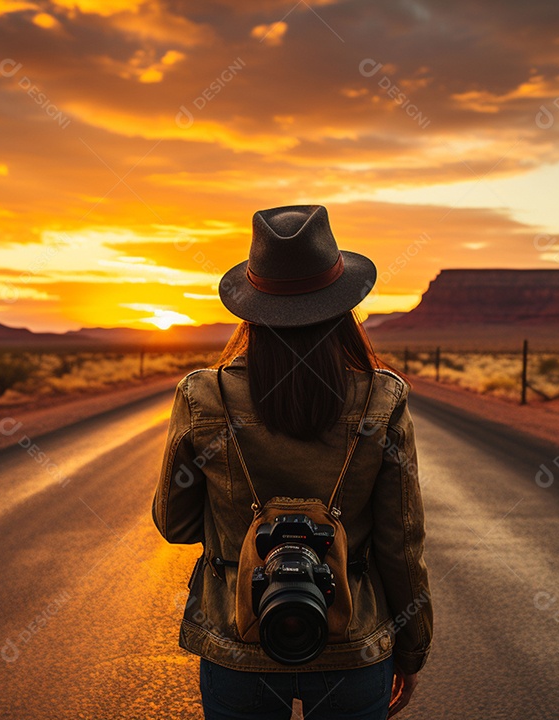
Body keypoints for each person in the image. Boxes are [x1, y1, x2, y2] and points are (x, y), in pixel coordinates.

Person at [153, 205, 432, 719]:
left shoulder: (202, 395)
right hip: (354, 644)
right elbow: (400, 543)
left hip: (238, 642)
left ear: (252, 306)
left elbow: (175, 523)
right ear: (341, 304)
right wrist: (411, 649)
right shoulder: (382, 398)